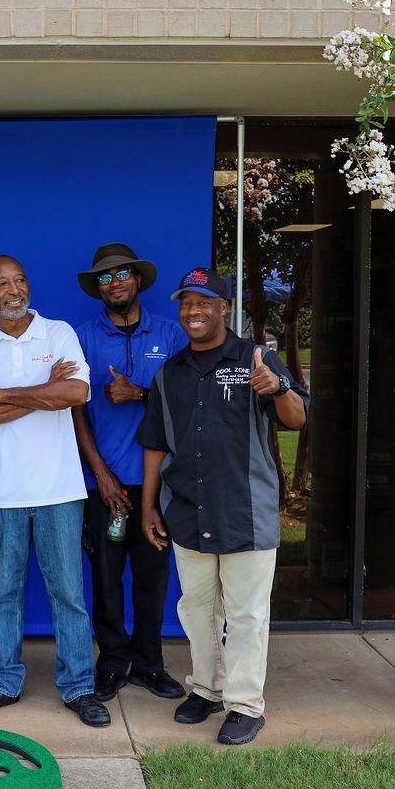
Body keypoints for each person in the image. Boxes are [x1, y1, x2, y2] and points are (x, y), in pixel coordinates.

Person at [140, 267, 309, 745]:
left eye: (203, 302)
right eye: (186, 303)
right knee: (196, 609)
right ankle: (207, 689)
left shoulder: (255, 358)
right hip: (186, 508)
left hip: (244, 511)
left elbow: (297, 418)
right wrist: (149, 505)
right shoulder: (169, 373)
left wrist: (277, 388)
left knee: (247, 615)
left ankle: (244, 705)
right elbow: (156, 443)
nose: (193, 311)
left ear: (223, 308)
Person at [0, 255, 110, 728]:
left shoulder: (59, 333)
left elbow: (76, 394)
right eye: (1, 284)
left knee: (68, 593)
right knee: (4, 593)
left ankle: (80, 686)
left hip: (60, 489)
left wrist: (3, 394)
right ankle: (2, 680)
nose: (13, 290)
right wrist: (44, 390)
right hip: (0, 492)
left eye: (20, 280)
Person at [73, 242, 189, 703]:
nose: (114, 282)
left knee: (152, 575)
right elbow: (73, 413)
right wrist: (99, 473)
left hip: (158, 483)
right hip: (103, 482)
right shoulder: (82, 337)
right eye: (104, 277)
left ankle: (149, 663)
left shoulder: (171, 334)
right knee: (104, 575)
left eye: (122, 274)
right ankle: (112, 660)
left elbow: (186, 402)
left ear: (138, 279)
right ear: (97, 288)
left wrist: (140, 394)